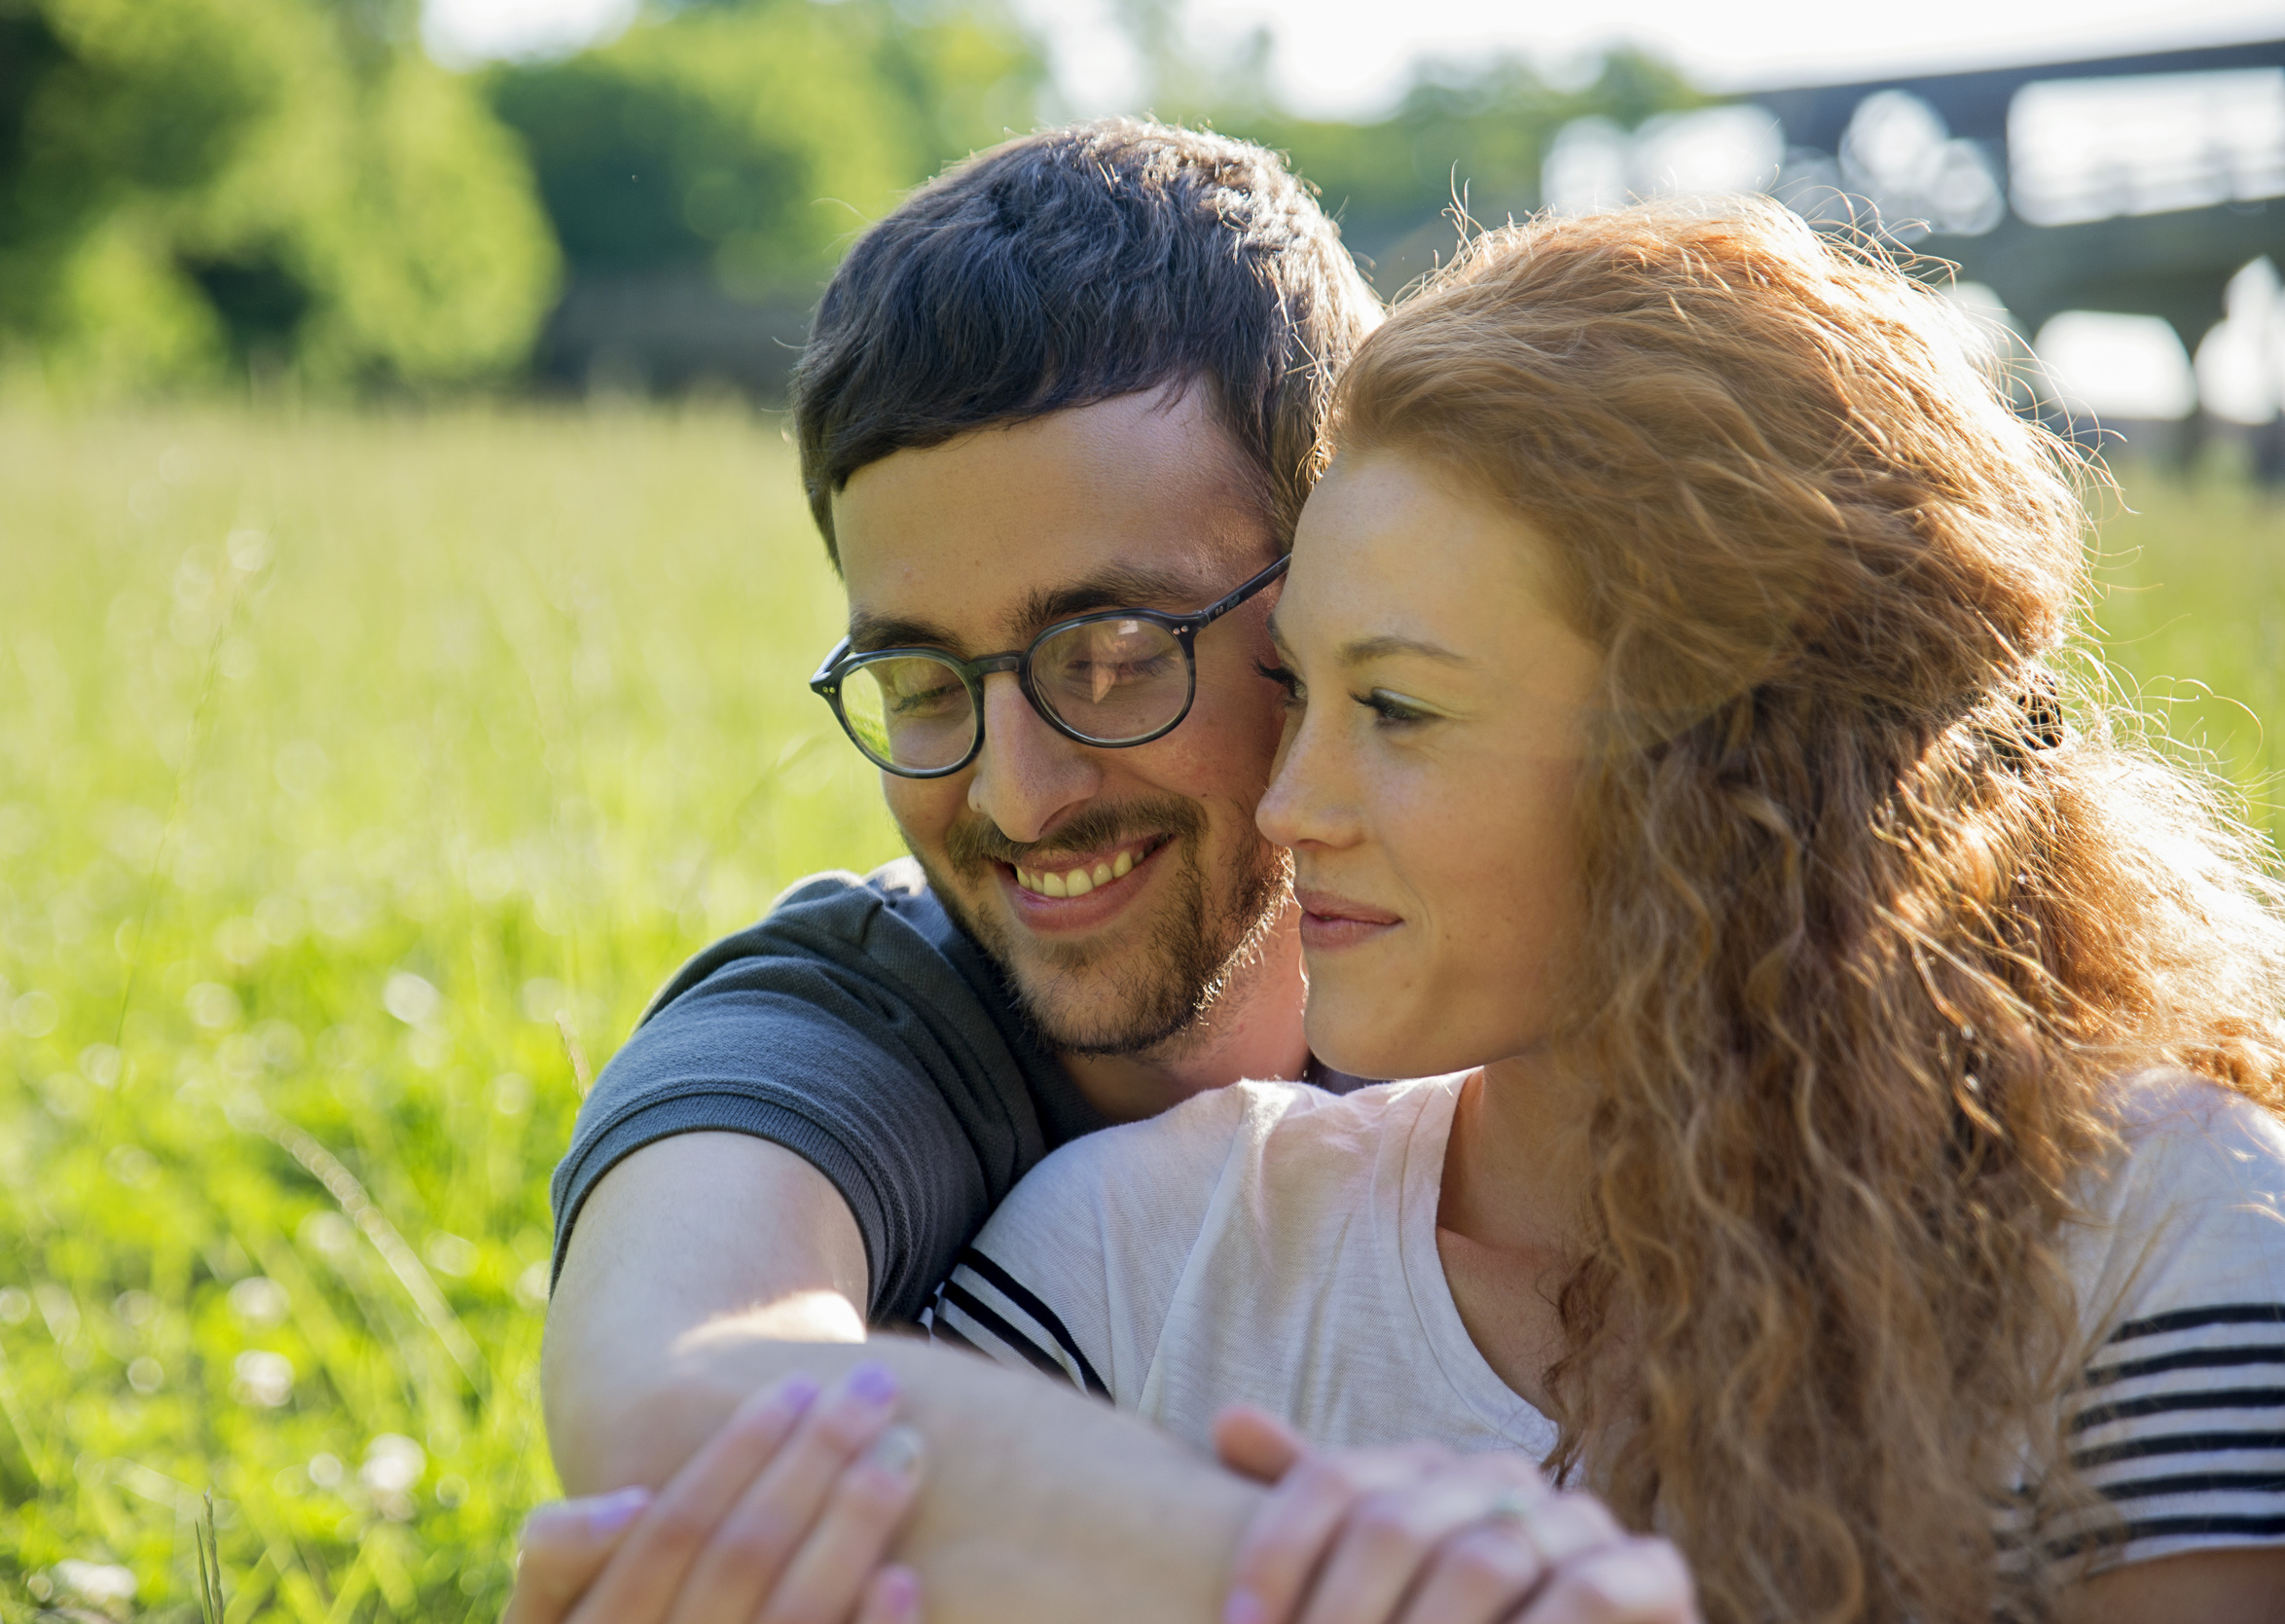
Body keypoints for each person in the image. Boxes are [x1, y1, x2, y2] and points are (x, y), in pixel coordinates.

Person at [926, 201, 2285, 1621]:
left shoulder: (2160, 1241)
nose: (1290, 806)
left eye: (1398, 706)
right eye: (1299, 693)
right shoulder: (1141, 1259)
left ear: (1728, 766)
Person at [526, 117, 1396, 1622]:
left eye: (1114, 653)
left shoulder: (1530, 943)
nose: (1016, 791)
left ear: (1333, 598)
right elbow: (674, 1388)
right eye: (923, 682)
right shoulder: (856, 1013)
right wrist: (1384, 1587)